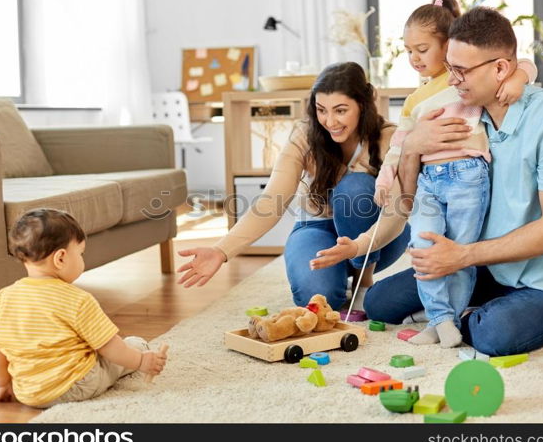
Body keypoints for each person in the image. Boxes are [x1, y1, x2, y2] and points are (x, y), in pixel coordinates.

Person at [363, 6, 543, 356]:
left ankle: (463, 317)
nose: (451, 79)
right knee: (380, 302)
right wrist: (411, 148)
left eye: (460, 70)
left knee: (495, 333)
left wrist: (461, 256)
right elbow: (409, 200)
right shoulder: (463, 113)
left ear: (501, 69)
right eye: (449, 67)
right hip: (484, 267)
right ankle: (462, 312)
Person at [176, 62, 411, 311]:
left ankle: (363, 283)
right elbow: (271, 200)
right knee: (318, 298)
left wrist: (358, 247)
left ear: (362, 106)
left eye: (340, 110)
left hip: (376, 236)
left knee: (355, 189)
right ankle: (336, 277)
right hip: (317, 227)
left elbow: (399, 211)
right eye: (321, 110)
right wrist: (220, 251)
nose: (330, 121)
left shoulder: (388, 138)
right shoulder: (305, 135)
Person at [373, 0, 537, 348]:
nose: (415, 58)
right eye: (408, 51)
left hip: (467, 175)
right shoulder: (417, 100)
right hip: (429, 183)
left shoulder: (463, 80)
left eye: (422, 49)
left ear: (449, 46)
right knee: (423, 249)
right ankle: (440, 318)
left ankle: (448, 318)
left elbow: (518, 61)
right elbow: (399, 147)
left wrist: (519, 78)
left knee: (459, 252)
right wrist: (385, 179)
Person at [0, 208, 168, 408]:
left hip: (27, 392)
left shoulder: (5, 297)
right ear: (61, 258)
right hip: (76, 385)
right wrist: (141, 361)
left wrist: (1, 386)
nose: (82, 259)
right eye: (80, 253)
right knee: (133, 344)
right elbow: (108, 346)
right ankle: (139, 351)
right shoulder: (77, 299)